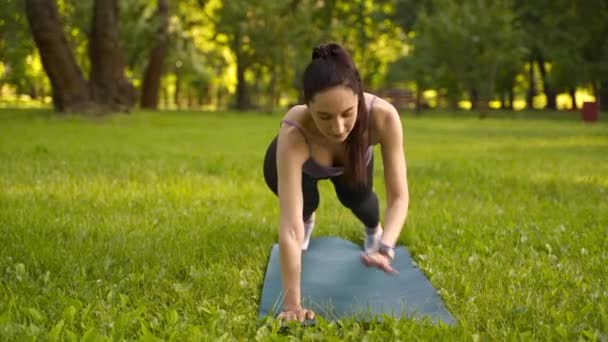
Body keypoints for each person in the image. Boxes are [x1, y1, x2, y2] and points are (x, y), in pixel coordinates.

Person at [262, 43, 409, 322]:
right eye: (324, 117)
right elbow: (289, 229)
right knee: (303, 206)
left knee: (358, 199)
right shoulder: (295, 130)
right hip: (299, 164)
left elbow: (399, 197)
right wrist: (292, 306)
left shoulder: (383, 117)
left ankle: (372, 231)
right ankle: (310, 217)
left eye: (347, 113)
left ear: (359, 98)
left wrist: (386, 246)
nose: (338, 127)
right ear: (308, 105)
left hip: (351, 163)